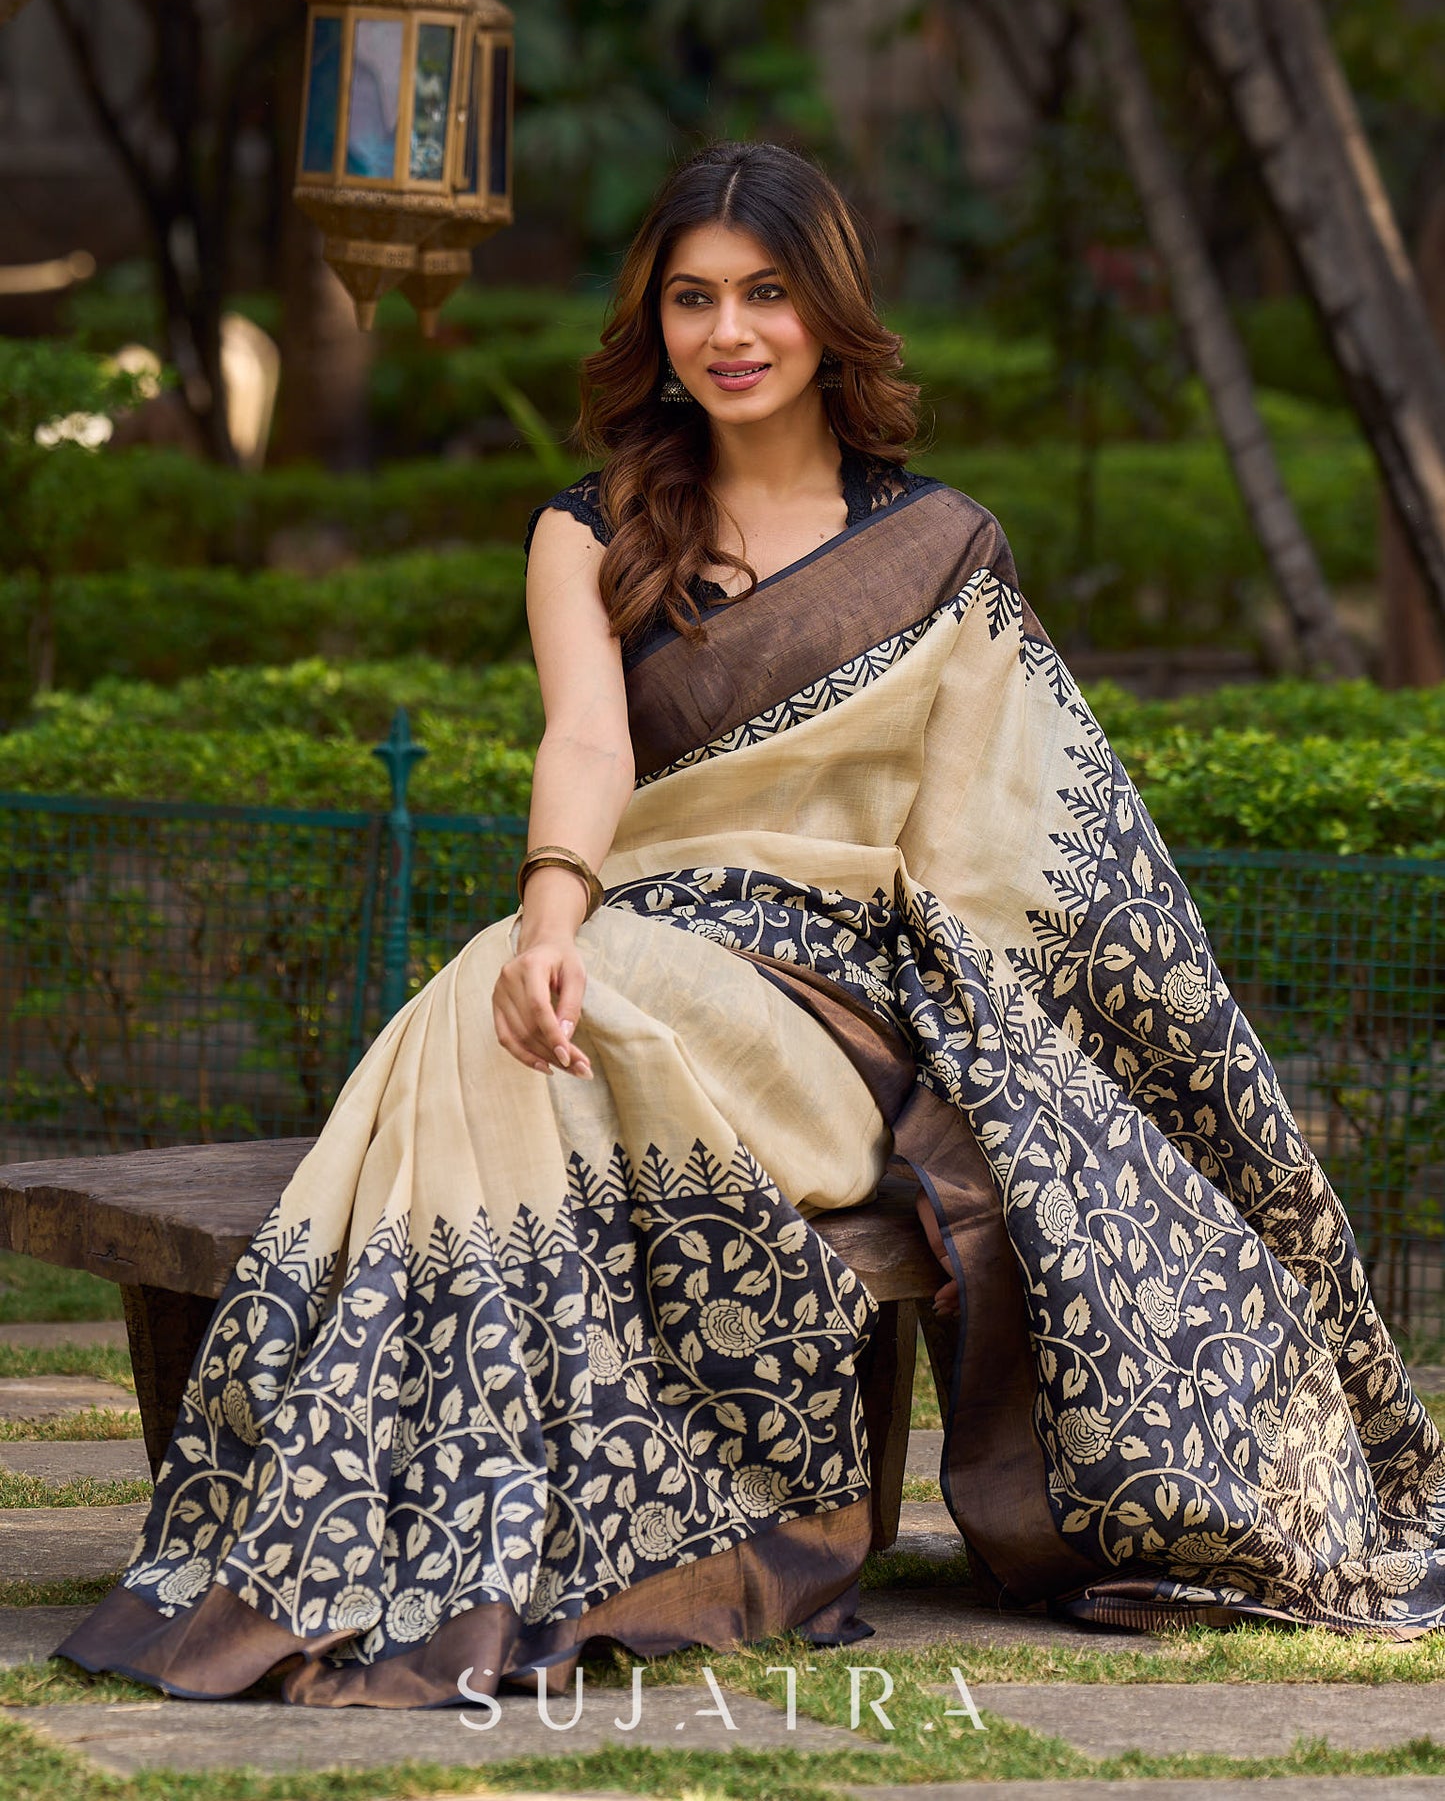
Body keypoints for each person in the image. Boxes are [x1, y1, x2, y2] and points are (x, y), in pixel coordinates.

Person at [58, 143, 1445, 1707]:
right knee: (493, 1005)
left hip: (842, 1002)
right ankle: (498, 1520)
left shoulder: (940, 552)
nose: (729, 331)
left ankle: (472, 1506)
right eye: (693, 298)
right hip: (641, 937)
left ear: (827, 312)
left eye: (766, 294)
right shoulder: (587, 531)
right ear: (651, 324)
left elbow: (1024, 843)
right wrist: (549, 914)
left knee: (517, 1013)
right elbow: (586, 741)